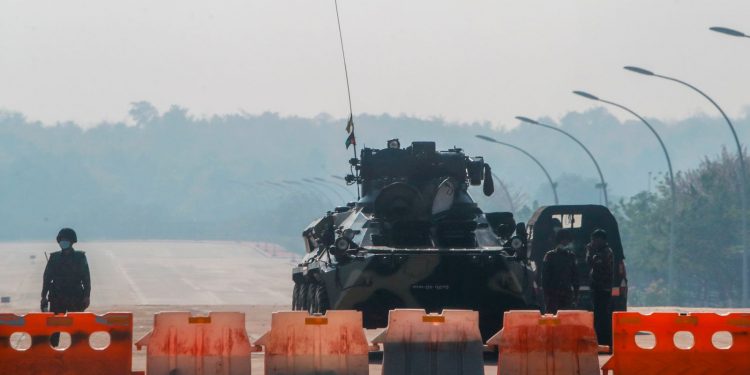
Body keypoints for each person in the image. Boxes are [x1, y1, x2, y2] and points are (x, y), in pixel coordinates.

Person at [41, 228, 91, 347]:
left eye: (66, 240)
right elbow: (47, 278)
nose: (63, 242)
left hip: (75, 296)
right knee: (54, 326)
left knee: (77, 327)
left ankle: (77, 350)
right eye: (62, 240)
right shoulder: (54, 258)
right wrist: (43, 296)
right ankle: (53, 350)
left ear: (72, 241)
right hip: (57, 296)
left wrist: (87, 296)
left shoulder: (80, 257)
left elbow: (86, 278)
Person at [586, 228, 615, 346]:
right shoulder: (600, 251)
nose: (593, 242)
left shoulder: (605, 252)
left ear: (601, 240)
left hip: (603, 288)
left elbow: (593, 263)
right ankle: (601, 340)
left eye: (595, 240)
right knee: (598, 315)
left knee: (602, 315)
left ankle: (604, 341)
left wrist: (590, 251)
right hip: (598, 288)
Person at [542, 229, 579, 314]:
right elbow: (545, 278)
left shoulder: (571, 256)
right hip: (553, 295)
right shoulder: (549, 256)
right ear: (559, 240)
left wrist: (576, 296)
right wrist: (546, 296)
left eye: (567, 240)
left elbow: (575, 277)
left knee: (566, 319)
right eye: (563, 240)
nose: (565, 242)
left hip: (567, 294)